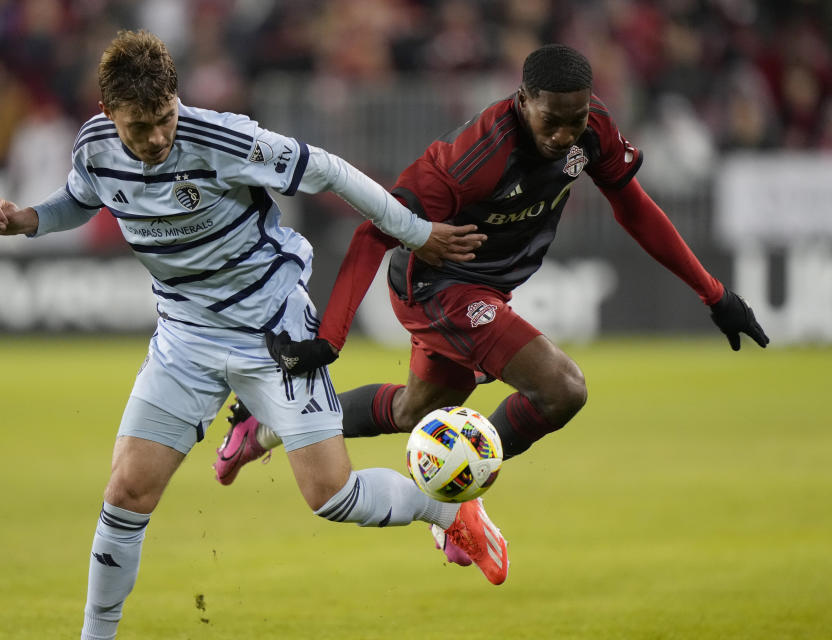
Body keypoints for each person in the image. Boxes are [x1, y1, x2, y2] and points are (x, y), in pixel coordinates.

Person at [0, 29, 505, 640]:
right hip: (184, 340)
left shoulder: (224, 139)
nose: (153, 138)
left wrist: (416, 231)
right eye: (136, 127)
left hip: (273, 329)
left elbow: (329, 171)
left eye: (162, 119)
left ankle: (446, 508)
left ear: (176, 99)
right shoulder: (95, 146)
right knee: (125, 493)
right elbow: (81, 198)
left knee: (330, 497)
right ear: (107, 114)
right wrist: (28, 221)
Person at [214, 44, 770, 567]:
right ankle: (456, 502)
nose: (563, 133)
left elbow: (633, 207)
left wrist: (714, 293)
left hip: (487, 287)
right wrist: (330, 338)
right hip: (435, 286)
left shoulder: (591, 128)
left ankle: (267, 425)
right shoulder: (471, 159)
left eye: (575, 120)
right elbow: (373, 231)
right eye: (551, 119)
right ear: (522, 100)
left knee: (414, 412)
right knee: (561, 389)